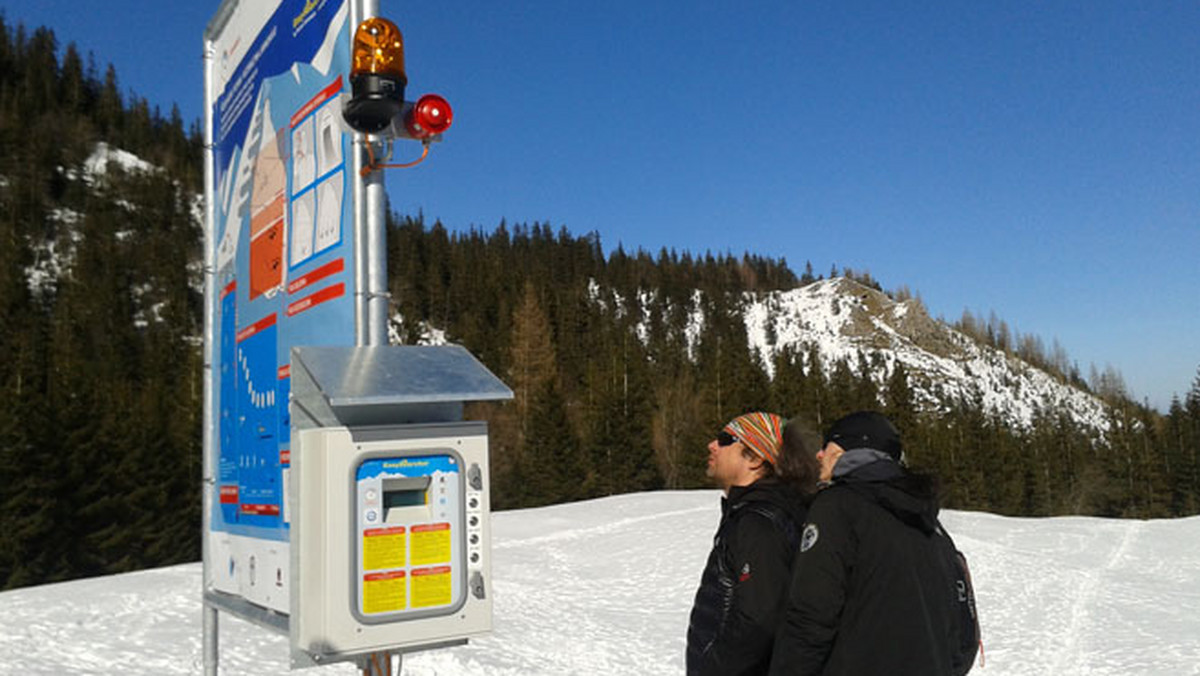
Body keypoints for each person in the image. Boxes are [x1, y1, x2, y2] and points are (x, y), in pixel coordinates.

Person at [769, 410, 962, 675]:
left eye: (827, 446)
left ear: (849, 450)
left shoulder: (838, 506)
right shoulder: (929, 522)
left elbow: (810, 615)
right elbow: (958, 633)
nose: (818, 455)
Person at [686, 412, 818, 676]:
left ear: (756, 458)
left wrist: (714, 669)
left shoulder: (760, 523)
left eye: (725, 440)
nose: (712, 445)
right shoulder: (759, 513)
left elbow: (759, 620)